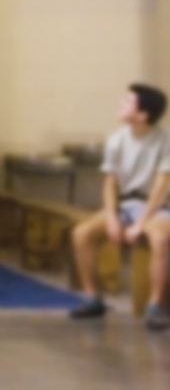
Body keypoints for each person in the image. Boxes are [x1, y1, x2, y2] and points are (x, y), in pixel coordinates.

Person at [68, 84, 170, 330]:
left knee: (159, 239)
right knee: (82, 234)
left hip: (156, 207)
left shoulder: (164, 140)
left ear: (143, 115)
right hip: (125, 204)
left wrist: (141, 224)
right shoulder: (117, 139)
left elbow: (161, 186)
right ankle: (93, 298)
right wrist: (112, 218)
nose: (120, 105)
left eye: (128, 102)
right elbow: (109, 182)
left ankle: (156, 305)